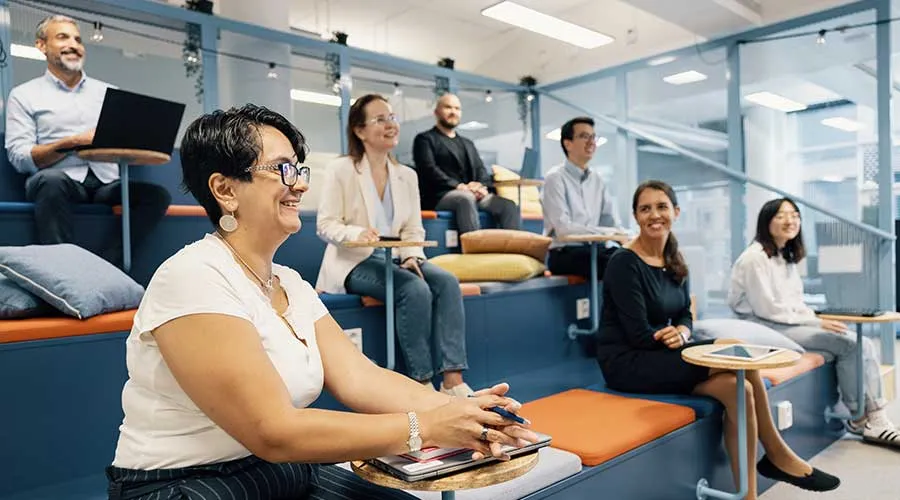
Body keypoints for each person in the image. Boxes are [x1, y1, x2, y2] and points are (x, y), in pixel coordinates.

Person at [106, 104, 536, 499]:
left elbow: (361, 379)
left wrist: (464, 410)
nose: (301, 184)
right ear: (224, 189)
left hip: (284, 469)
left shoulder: (291, 282)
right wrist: (424, 427)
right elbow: (273, 430)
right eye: (283, 169)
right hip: (187, 483)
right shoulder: (193, 275)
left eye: (299, 168)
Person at [597, 181, 839, 499]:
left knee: (740, 390)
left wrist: (683, 332)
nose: (654, 215)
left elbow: (684, 314)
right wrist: (678, 340)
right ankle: (779, 455)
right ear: (635, 216)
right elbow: (639, 336)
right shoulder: (624, 263)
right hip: (628, 361)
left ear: (676, 212)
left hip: (662, 352)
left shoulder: (674, 259)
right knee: (737, 355)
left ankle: (748, 493)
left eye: (661, 207)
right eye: (645, 209)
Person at [317, 94, 473, 397]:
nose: (390, 125)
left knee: (447, 282)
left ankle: (453, 381)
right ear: (360, 131)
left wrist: (413, 256)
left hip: (398, 257)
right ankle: (422, 383)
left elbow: (413, 228)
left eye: (392, 118)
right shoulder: (341, 170)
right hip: (355, 260)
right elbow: (326, 224)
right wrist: (357, 233)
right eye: (380, 119)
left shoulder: (407, 175)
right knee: (414, 289)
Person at [729, 197, 900, 448]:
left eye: (795, 215)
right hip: (764, 326)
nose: (790, 220)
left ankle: (873, 415)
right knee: (850, 344)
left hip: (784, 322)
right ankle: (862, 416)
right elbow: (769, 309)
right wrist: (816, 323)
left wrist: (818, 318)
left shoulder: (783, 256)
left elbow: (793, 302)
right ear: (766, 221)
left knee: (862, 343)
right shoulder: (755, 258)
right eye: (781, 215)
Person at [4, 15, 170, 267]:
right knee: (50, 181)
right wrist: (74, 142)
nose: (74, 44)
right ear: (41, 46)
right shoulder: (24, 95)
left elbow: (127, 142)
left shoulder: (108, 92)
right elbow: (20, 158)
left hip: (107, 182)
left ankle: (105, 266)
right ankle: (63, 272)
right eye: (62, 37)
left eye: (78, 39)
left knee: (156, 195)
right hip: (60, 179)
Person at [411, 93, 519, 234]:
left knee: (508, 205)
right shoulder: (425, 139)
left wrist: (480, 186)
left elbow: (481, 169)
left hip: (472, 194)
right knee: (465, 198)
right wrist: (459, 186)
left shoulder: (467, 143)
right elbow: (428, 169)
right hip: (440, 196)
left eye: (457, 108)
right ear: (436, 112)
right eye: (448, 107)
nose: (453, 112)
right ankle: (474, 251)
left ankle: (513, 252)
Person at [542, 116, 621, 279]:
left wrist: (625, 236)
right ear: (567, 143)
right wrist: (609, 232)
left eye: (593, 137)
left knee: (635, 259)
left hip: (594, 249)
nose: (591, 142)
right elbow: (564, 229)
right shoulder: (555, 178)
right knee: (619, 265)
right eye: (584, 136)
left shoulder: (598, 180)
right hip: (564, 253)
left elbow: (610, 221)